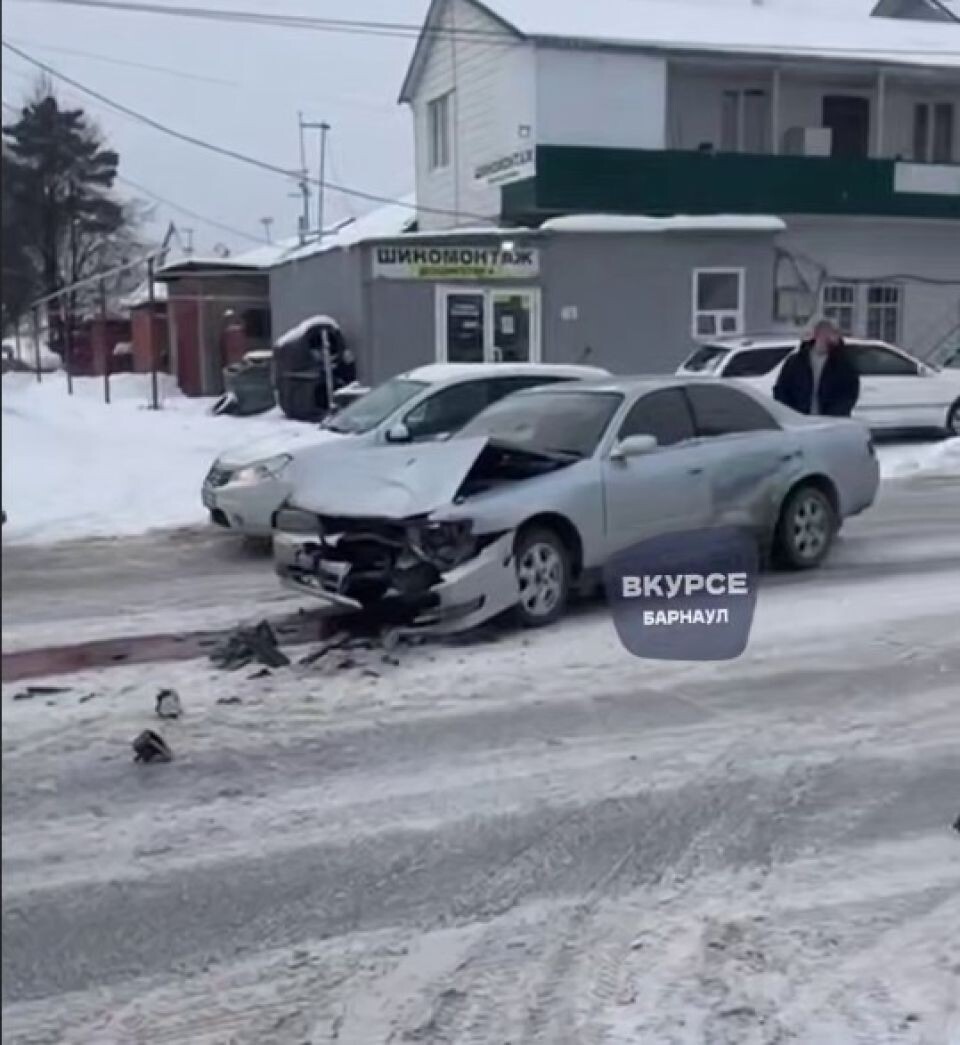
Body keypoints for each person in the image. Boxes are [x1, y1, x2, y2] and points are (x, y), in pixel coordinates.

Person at [773, 318, 860, 418]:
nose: (828, 337)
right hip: (799, 419)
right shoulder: (797, 361)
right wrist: (790, 413)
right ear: (816, 334)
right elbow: (781, 389)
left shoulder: (843, 363)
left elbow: (850, 392)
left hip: (831, 420)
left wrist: (836, 413)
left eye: (832, 333)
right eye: (824, 333)